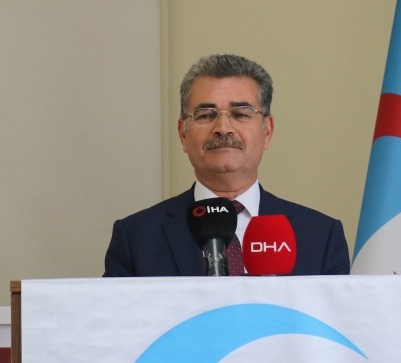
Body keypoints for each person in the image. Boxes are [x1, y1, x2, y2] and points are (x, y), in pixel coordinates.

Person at [103, 54, 349, 277]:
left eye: (241, 114)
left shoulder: (321, 236)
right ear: (183, 134)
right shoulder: (135, 238)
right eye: (206, 115)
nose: (223, 128)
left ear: (267, 131)